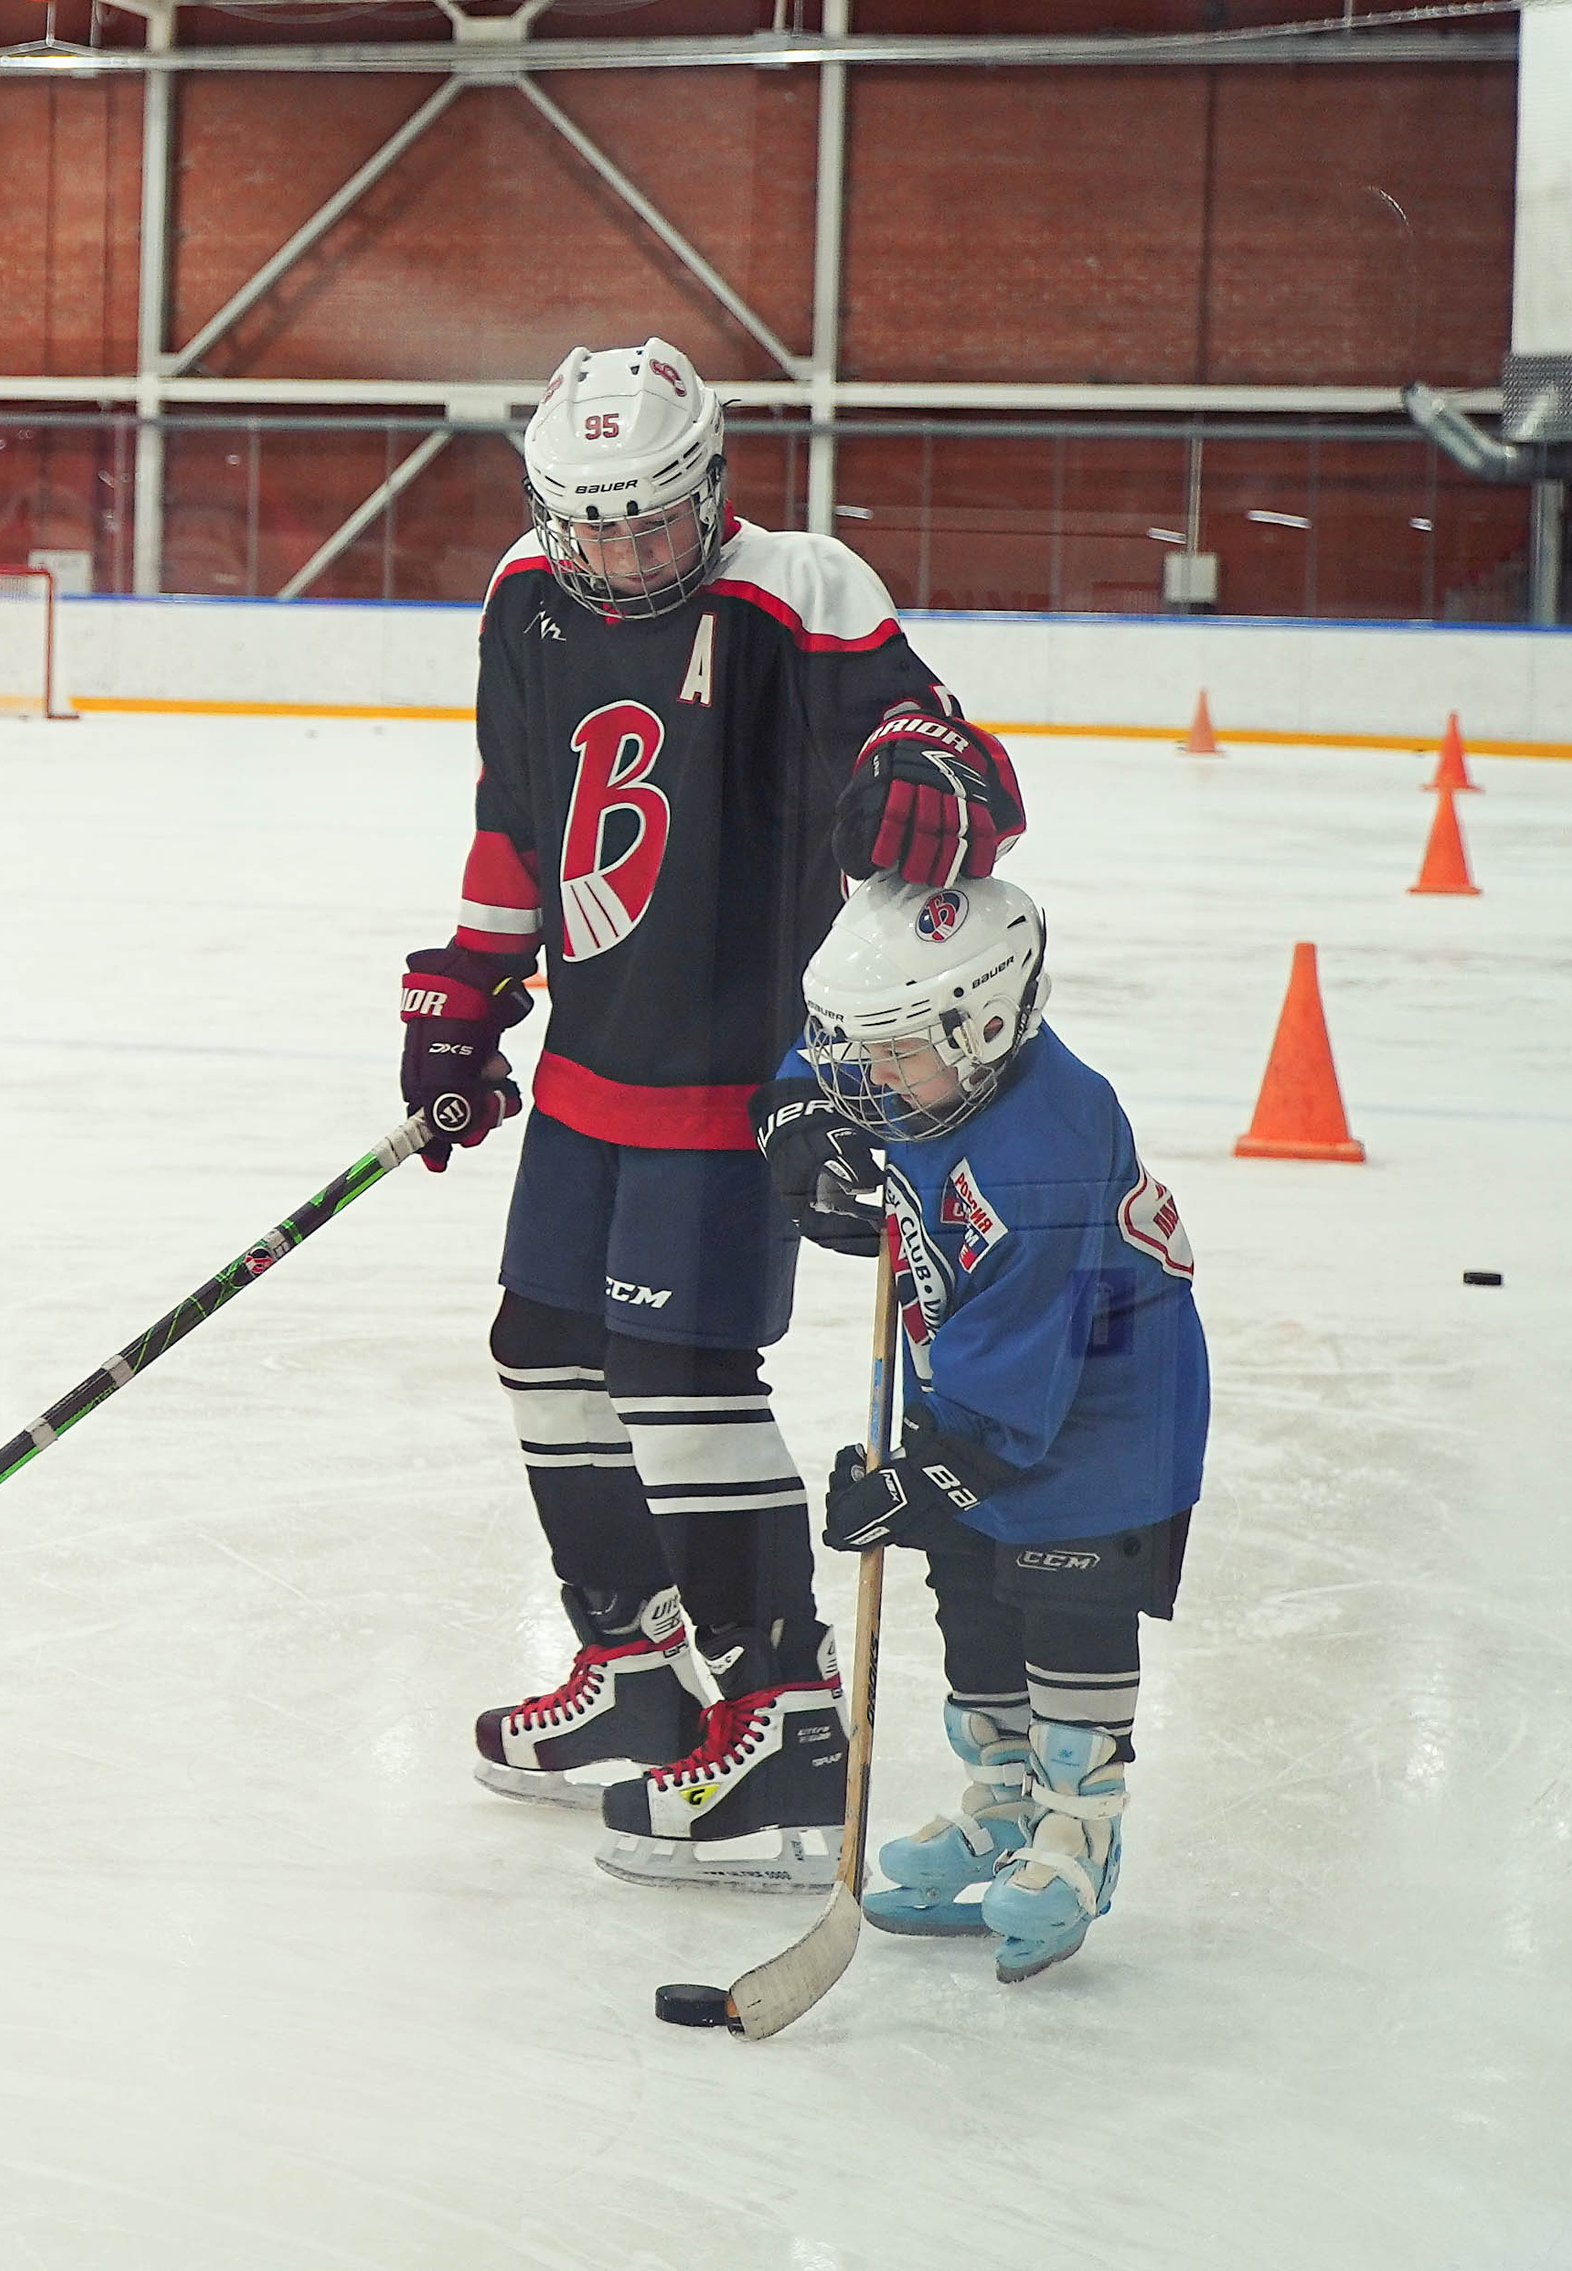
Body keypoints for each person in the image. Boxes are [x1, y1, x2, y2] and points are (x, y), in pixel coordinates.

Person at [400, 337, 1025, 1894]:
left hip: (742, 1071)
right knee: (544, 1348)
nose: (623, 558)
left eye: (653, 523)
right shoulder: (524, 599)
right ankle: (637, 1666)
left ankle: (784, 1711)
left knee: (677, 1373)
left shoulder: (797, 593)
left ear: (712, 486)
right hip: (591, 1061)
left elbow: (952, 769)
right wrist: (466, 988)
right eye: (592, 527)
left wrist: (930, 774)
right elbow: (516, 816)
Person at [794, 872, 1208, 1980]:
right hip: (982, 1381)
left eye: (891, 1051)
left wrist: (921, 1478)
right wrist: (798, 1124)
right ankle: (999, 1807)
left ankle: (1076, 1833)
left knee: (1065, 1609)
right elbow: (837, 1052)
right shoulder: (935, 1075)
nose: (867, 1072)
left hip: (1099, 1421)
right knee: (972, 1595)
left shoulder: (1045, 1158)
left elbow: (1011, 1404)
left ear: (978, 1028)